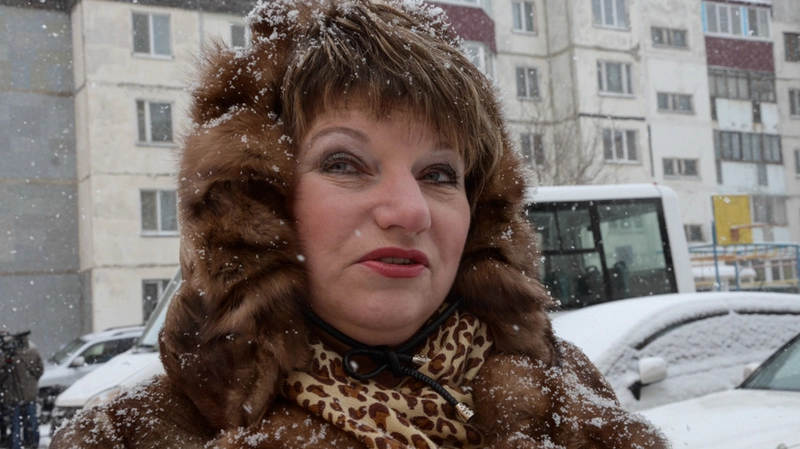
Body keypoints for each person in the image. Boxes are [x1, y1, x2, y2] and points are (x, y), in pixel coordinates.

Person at [51, 1, 668, 448]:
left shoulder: (566, 399)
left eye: (439, 174)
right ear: (255, 204)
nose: (410, 211)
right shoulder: (132, 435)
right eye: (344, 163)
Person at [0, 332, 43, 449]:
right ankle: (33, 444)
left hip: (12, 397)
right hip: (29, 395)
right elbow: (39, 371)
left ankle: (17, 445)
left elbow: (1, 377)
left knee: (15, 426)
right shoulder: (33, 354)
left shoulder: (7, 357)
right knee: (32, 423)